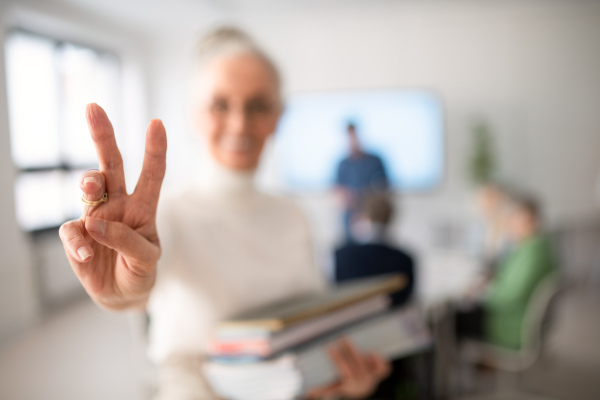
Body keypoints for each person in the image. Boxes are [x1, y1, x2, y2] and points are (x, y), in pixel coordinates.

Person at [58, 28, 390, 400]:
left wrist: (345, 385)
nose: (239, 124)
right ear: (194, 115)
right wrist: (116, 293)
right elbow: (132, 290)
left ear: (278, 117)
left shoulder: (295, 214)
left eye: (257, 105)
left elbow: (315, 325)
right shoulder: (167, 213)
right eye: (220, 105)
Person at [456, 193, 558, 350]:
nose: (507, 224)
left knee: (451, 319)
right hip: (514, 316)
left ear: (527, 218)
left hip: (509, 325)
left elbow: (510, 296)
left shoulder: (534, 253)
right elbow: (504, 274)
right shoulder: (533, 246)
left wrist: (481, 294)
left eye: (511, 218)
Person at [335, 193, 415, 307]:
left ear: (363, 217)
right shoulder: (405, 259)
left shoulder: (341, 256)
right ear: (390, 217)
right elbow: (408, 301)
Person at [335, 123, 389, 241]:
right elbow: (338, 192)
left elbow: (384, 187)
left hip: (374, 215)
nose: (352, 140)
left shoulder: (375, 161)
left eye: (354, 136)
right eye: (349, 137)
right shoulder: (343, 164)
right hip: (351, 216)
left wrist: (369, 201)